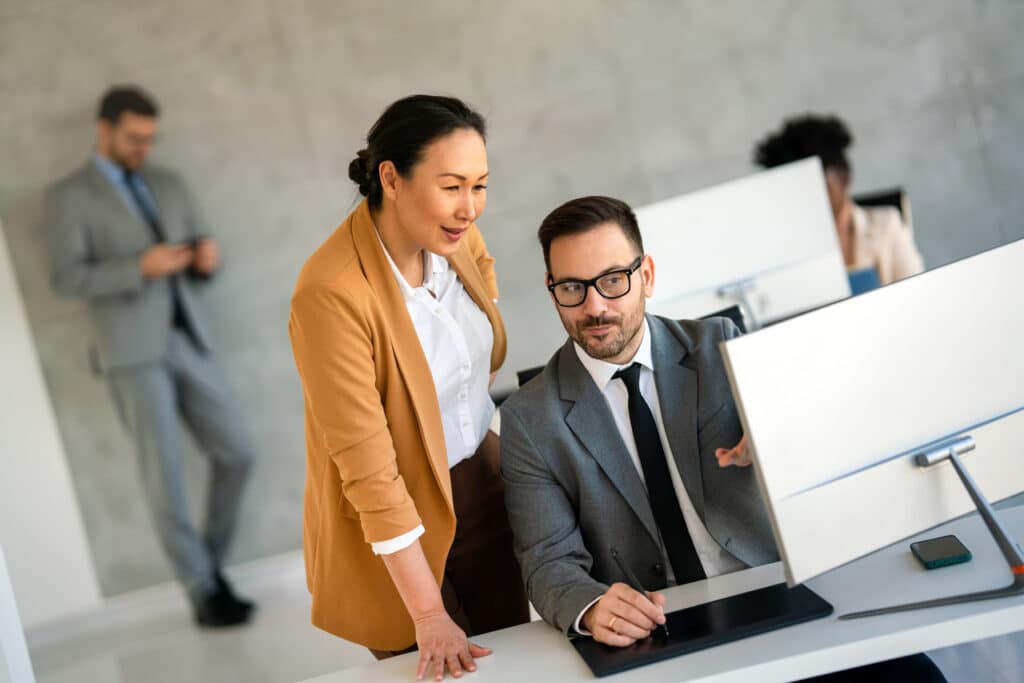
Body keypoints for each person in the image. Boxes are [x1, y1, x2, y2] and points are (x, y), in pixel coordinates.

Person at [499, 195, 946, 681]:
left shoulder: (720, 345)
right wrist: (588, 606)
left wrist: (782, 444)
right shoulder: (529, 419)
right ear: (551, 288)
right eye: (572, 287)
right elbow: (547, 561)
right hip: (655, 629)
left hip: (771, 588)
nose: (594, 306)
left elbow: (823, 458)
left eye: (612, 280)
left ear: (646, 274)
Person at [288, 95, 529, 681]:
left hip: (482, 485)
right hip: (399, 528)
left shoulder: (455, 236)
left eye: (480, 186)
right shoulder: (332, 295)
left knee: (520, 666)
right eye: (451, 186)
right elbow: (370, 472)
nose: (469, 207)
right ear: (391, 178)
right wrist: (427, 611)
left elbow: (482, 297)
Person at [48, 86, 256, 627]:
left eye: (149, 138)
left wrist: (205, 262)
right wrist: (139, 266)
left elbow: (198, 262)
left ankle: (206, 568)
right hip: (131, 354)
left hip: (190, 340)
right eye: (134, 138)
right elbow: (67, 278)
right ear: (105, 129)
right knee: (163, 477)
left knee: (238, 452)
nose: (144, 147)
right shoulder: (69, 196)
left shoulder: (171, 183)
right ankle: (204, 589)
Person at [754, 113, 925, 286]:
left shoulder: (887, 225)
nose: (809, 199)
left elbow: (917, 292)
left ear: (843, 176)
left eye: (818, 185)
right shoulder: (781, 247)